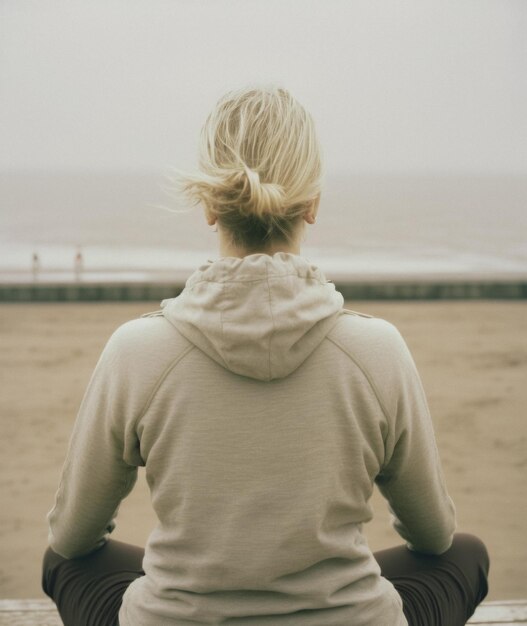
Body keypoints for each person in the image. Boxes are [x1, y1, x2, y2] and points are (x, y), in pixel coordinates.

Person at [42, 86, 489, 626]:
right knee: (468, 555)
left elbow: (71, 536)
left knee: (60, 563)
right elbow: (433, 535)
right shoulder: (378, 352)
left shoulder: (137, 352)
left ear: (209, 206)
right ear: (313, 204)